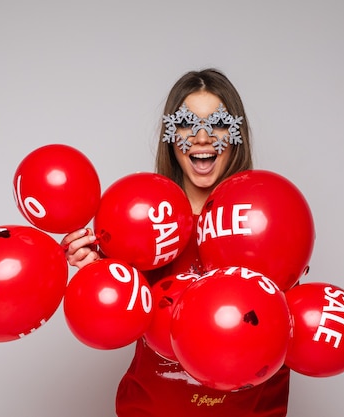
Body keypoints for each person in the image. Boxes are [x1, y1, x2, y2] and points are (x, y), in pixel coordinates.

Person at [61, 68, 290, 417]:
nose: (201, 137)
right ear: (170, 135)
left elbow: (281, 326)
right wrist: (98, 271)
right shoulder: (139, 218)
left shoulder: (265, 220)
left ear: (236, 134)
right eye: (186, 123)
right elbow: (120, 315)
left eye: (217, 123)